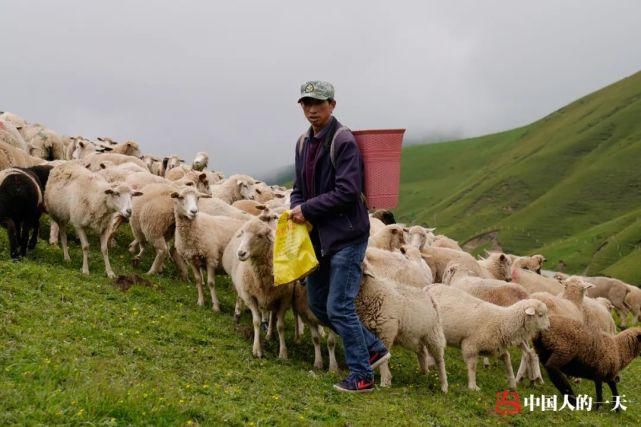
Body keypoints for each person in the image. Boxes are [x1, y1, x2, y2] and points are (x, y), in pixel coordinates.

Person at [290, 80, 390, 393]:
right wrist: (296, 208)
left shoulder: (342, 141)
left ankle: (362, 376)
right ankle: (371, 347)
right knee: (318, 304)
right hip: (320, 238)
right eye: (306, 104)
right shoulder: (302, 143)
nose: (311, 110)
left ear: (332, 104)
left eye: (318, 104)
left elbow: (348, 191)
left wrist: (307, 209)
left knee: (339, 307)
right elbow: (298, 189)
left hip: (347, 235)